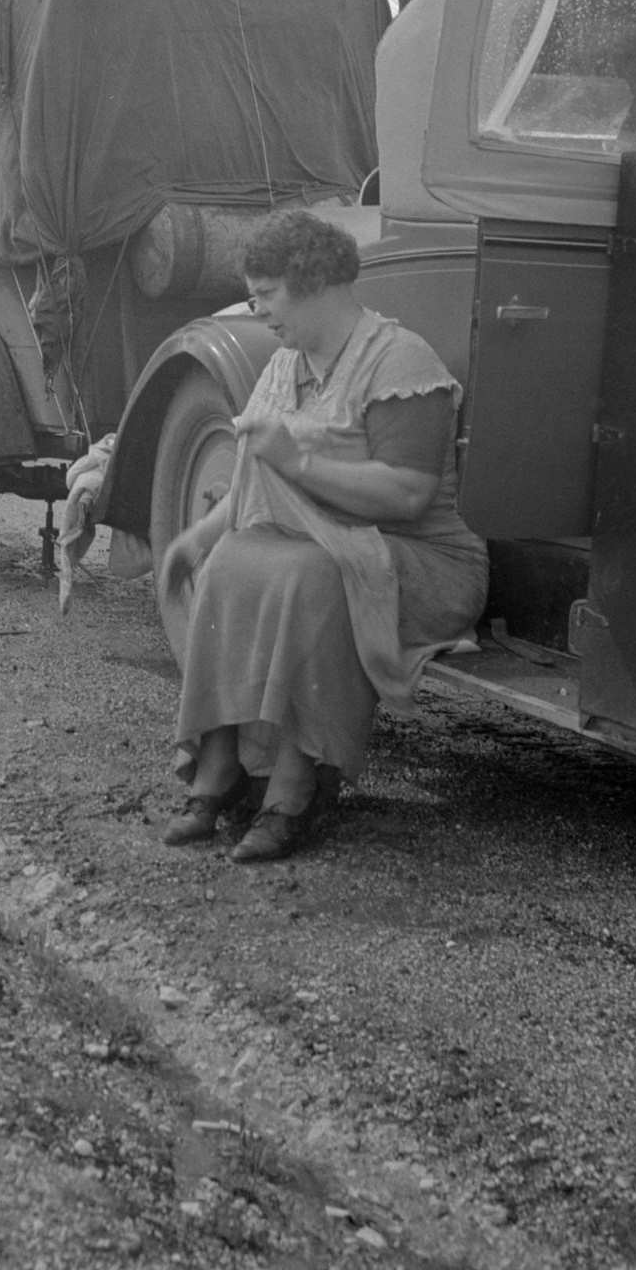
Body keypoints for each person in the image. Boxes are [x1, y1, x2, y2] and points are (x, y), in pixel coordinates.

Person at [157, 210, 489, 862]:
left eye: (268, 293)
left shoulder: (398, 359)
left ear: (314, 285)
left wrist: (301, 462)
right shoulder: (287, 365)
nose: (258, 308)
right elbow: (259, 474)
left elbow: (408, 493)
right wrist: (195, 540)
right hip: (339, 541)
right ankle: (219, 768)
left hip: (423, 562)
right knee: (231, 560)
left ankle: (296, 788)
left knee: (311, 574)